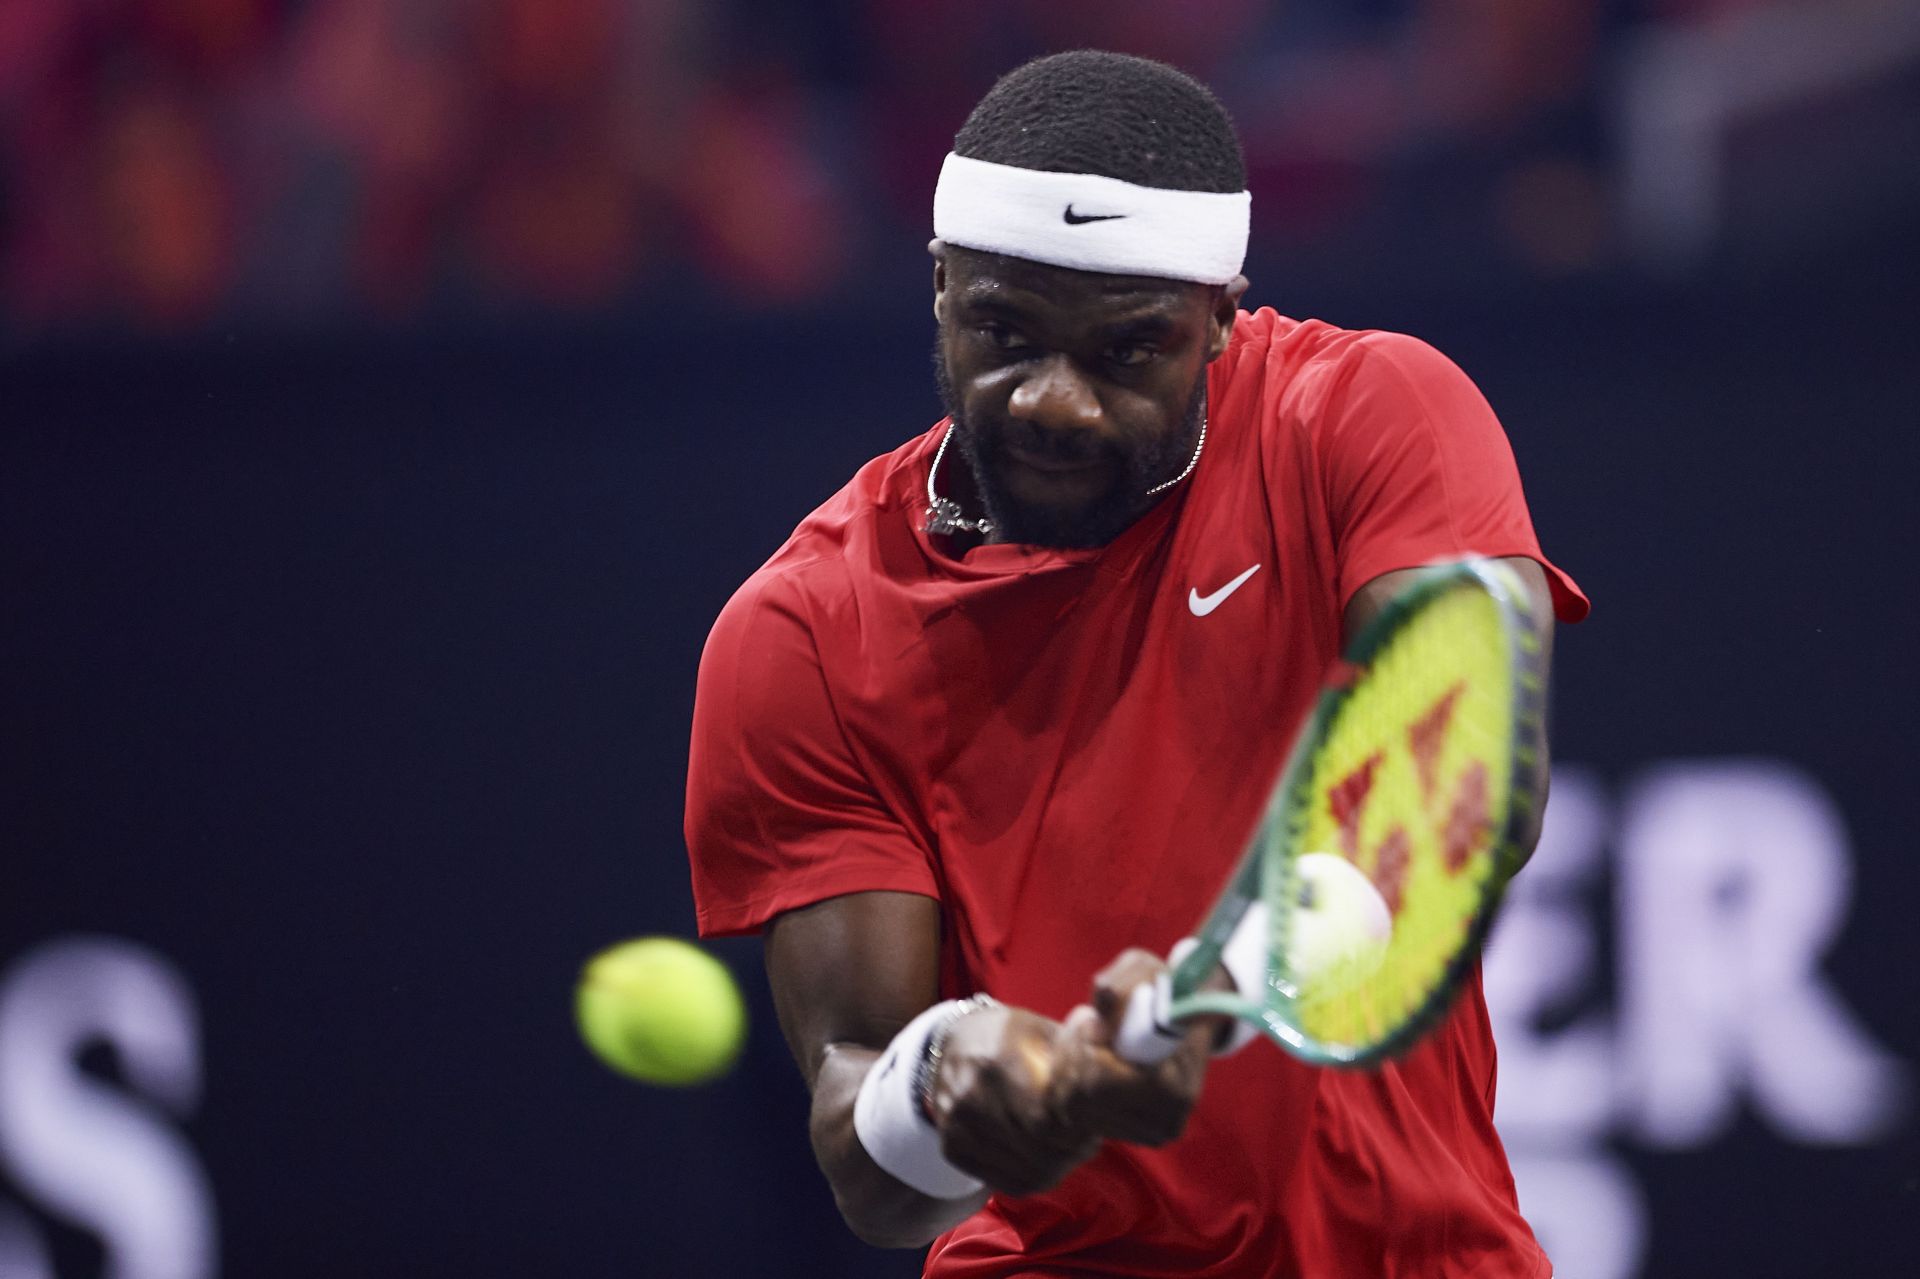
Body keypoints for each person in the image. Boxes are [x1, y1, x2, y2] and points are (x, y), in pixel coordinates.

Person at [685, 49, 1587, 1277]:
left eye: (1127, 352)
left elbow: (1470, 789)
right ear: (939, 286)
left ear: (1219, 315)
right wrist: (949, 1078)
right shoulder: (802, 631)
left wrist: (1217, 987)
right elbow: (870, 1168)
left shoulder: (1371, 414)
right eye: (1003, 330)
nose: (1055, 401)